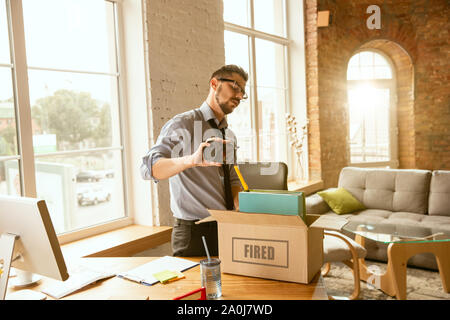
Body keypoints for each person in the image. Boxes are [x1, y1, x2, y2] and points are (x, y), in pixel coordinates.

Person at [140, 64, 248, 256]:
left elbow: (232, 179)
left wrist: (243, 206)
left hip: (226, 228)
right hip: (194, 233)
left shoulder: (229, 134)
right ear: (215, 84)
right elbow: (149, 168)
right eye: (236, 87)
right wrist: (191, 160)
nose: (240, 96)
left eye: (243, 92)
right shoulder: (183, 124)